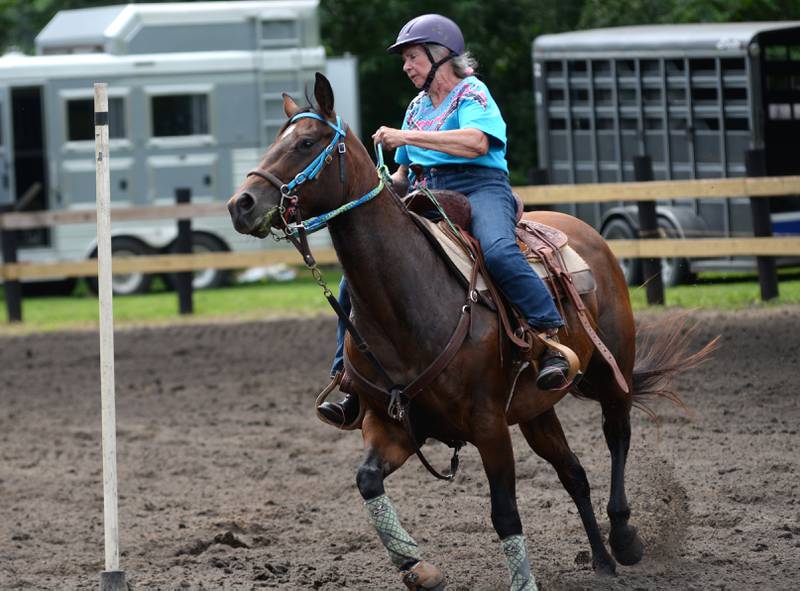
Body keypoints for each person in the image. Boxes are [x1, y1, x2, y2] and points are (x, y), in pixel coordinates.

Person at [317, 14, 570, 428]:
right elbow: (400, 175)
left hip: (480, 187)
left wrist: (407, 137)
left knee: (499, 250)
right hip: (426, 192)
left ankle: (550, 339)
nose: (406, 66)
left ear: (439, 56)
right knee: (354, 279)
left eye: (412, 57)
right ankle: (348, 379)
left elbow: (477, 142)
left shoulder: (473, 94)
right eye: (405, 59)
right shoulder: (416, 106)